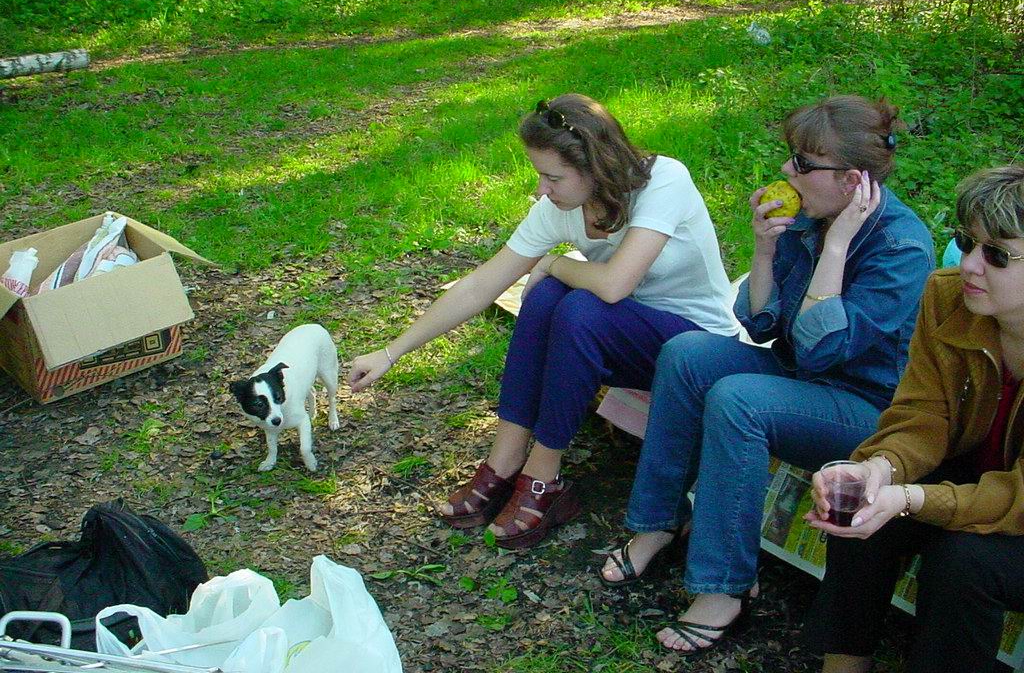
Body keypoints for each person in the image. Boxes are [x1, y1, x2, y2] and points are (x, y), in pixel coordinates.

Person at [601, 95, 935, 655]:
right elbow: (760, 323)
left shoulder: (901, 247)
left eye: (803, 163)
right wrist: (763, 249)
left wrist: (836, 248)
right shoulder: (810, 218)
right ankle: (658, 522)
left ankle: (725, 587)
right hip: (798, 373)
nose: (787, 170)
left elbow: (823, 350)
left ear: (852, 180)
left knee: (739, 399)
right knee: (686, 354)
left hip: (864, 407)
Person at [347, 93, 740, 550]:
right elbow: (480, 285)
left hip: (695, 347)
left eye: (553, 177)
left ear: (598, 166)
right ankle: (506, 456)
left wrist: (552, 263)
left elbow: (615, 285)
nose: (541, 189)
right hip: (628, 340)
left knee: (579, 304)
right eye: (540, 175)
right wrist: (391, 351)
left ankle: (543, 474)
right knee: (550, 296)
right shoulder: (561, 208)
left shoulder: (663, 181)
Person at [803, 165, 1024, 673]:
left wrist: (910, 498)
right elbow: (924, 412)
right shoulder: (949, 298)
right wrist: (879, 469)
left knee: (963, 561)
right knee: (863, 502)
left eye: (996, 254)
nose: (969, 265)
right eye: (966, 242)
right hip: (977, 474)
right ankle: (843, 664)